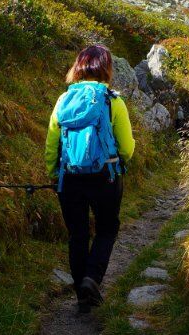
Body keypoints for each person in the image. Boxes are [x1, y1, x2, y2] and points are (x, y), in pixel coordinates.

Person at [45, 45, 135, 313]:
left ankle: (81, 295)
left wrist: (54, 173)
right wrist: (120, 160)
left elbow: (52, 143)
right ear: (106, 68)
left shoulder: (63, 101)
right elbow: (127, 147)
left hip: (70, 178)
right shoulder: (112, 101)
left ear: (78, 67)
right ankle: (91, 280)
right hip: (104, 176)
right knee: (107, 228)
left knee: (78, 234)